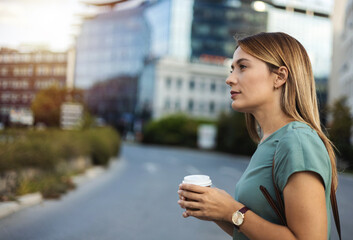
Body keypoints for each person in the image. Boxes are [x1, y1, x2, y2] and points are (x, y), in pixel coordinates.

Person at [177, 32, 338, 240]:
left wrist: (232, 211)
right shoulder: (270, 141)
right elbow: (255, 231)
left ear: (279, 76)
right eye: (232, 69)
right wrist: (215, 209)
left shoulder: (297, 142)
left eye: (242, 67)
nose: (229, 79)